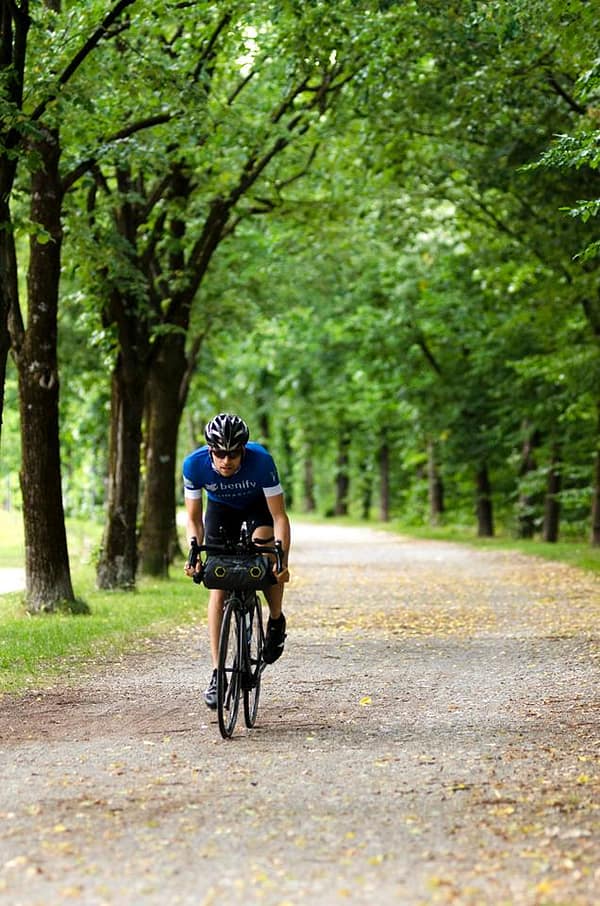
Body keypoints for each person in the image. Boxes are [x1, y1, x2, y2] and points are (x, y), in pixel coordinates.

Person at [183, 413, 291, 710]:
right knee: (218, 581)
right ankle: (219, 674)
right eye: (220, 453)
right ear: (210, 451)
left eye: (233, 453)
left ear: (243, 449)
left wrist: (281, 560)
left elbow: (280, 516)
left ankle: (276, 620)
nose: (226, 460)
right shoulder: (194, 466)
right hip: (221, 511)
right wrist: (194, 552)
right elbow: (193, 519)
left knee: (265, 550)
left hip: (258, 507)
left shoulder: (261, 462)